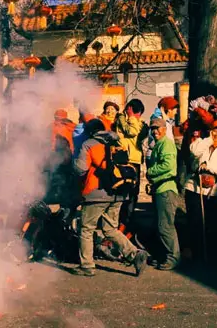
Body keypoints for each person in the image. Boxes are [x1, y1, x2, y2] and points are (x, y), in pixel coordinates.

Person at [74, 119, 149, 277]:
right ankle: (134, 254)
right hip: (118, 191)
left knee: (86, 229)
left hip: (96, 192)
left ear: (90, 131)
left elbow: (81, 169)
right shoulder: (117, 141)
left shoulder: (89, 144)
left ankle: (87, 265)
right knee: (110, 229)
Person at [184, 120, 217, 262]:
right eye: (215, 131)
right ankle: (196, 253)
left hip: (212, 192)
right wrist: (208, 140)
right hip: (194, 188)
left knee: (211, 223)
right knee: (195, 221)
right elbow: (194, 151)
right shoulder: (202, 143)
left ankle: (210, 255)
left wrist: (210, 168)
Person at [146, 118, 180, 270]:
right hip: (160, 188)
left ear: (165, 129)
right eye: (153, 129)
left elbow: (169, 166)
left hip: (166, 190)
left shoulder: (166, 144)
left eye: (158, 128)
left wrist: (150, 172)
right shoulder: (159, 144)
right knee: (161, 225)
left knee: (165, 226)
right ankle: (162, 255)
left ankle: (172, 257)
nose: (155, 131)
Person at [115, 99, 149, 224]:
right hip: (126, 159)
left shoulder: (137, 122)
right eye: (136, 113)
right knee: (125, 192)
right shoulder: (124, 119)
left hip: (135, 160)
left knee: (133, 193)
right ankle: (123, 222)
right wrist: (131, 117)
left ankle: (129, 221)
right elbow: (132, 131)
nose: (138, 116)